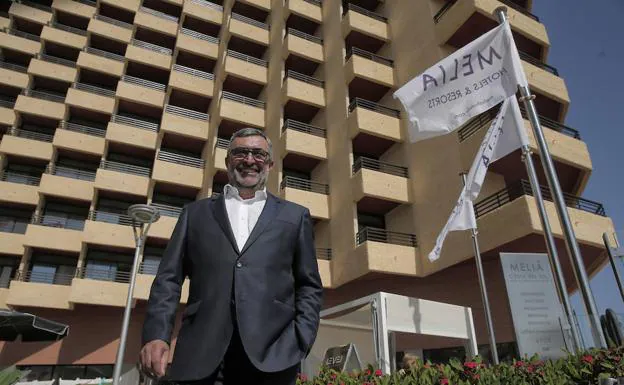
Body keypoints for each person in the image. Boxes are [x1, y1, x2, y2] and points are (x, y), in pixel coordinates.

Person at [139, 127, 323, 385]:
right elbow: (168, 279)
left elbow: (309, 285)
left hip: (273, 356)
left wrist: (300, 338)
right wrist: (156, 334)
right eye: (240, 152)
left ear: (269, 164)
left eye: (258, 154)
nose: (249, 160)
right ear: (227, 162)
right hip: (201, 354)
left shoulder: (295, 216)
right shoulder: (195, 214)